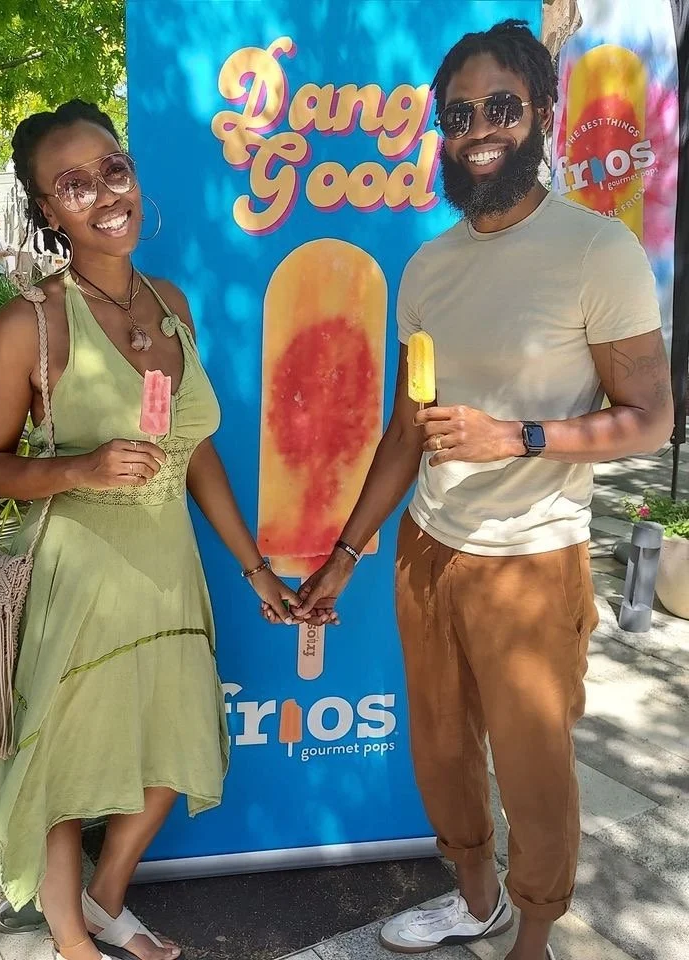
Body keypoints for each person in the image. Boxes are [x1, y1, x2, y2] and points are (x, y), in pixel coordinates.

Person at [295, 20, 673, 960]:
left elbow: (652, 418)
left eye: (501, 106)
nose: (478, 128)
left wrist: (519, 436)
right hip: (429, 548)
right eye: (458, 114)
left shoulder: (597, 251)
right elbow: (405, 430)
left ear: (542, 113)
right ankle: (476, 899)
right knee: (442, 750)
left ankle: (534, 934)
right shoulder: (427, 268)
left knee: (535, 770)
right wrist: (348, 553)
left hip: (534, 560)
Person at [0, 100, 302, 960]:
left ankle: (108, 896)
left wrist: (257, 571)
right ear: (47, 210)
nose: (103, 194)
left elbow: (194, 452)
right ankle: (72, 941)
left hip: (168, 567)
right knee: (67, 766)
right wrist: (77, 467)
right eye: (71, 184)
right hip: (82, 574)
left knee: (173, 740)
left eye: (112, 169)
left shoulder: (171, 300)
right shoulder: (29, 323)